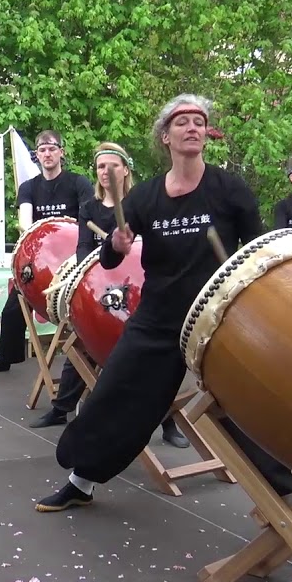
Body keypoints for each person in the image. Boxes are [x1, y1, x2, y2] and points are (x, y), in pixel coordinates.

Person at [32, 96, 292, 549]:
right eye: (182, 122)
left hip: (221, 318)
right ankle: (82, 480)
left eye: (199, 122)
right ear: (165, 137)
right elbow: (111, 258)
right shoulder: (145, 196)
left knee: (246, 410)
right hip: (159, 317)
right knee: (116, 396)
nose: (192, 127)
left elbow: (258, 251)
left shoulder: (229, 189)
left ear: (206, 135)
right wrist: (116, 240)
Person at [30, 142, 189, 448]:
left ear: (125, 170)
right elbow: (83, 249)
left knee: (154, 357)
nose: (106, 172)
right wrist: (86, 272)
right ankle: (62, 409)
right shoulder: (89, 207)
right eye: (101, 167)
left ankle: (167, 422)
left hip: (138, 286)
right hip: (99, 286)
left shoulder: (140, 202)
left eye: (113, 166)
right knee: (83, 339)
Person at [0, 131, 95, 374]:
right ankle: (5, 359)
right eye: (42, 150)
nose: (47, 154)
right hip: (40, 262)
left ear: (61, 152)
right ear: (36, 156)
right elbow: (26, 224)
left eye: (52, 148)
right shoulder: (29, 188)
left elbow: (87, 220)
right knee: (12, 309)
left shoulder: (78, 183)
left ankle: (95, 353)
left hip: (73, 262)